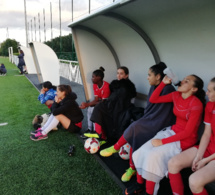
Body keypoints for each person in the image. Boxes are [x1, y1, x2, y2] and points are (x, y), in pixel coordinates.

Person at [100, 62, 176, 183]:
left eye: (149, 75)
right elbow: (151, 107)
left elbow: (163, 113)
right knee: (135, 133)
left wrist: (147, 121)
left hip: (160, 124)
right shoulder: (153, 87)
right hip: (150, 119)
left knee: (135, 127)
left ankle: (116, 147)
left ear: (158, 77)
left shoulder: (168, 89)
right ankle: (132, 168)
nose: (147, 77)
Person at [130, 74, 205, 195]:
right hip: (171, 132)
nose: (182, 81)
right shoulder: (176, 95)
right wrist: (163, 84)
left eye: (187, 81)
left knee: (153, 157)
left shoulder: (196, 104)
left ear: (194, 89)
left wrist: (162, 142)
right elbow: (153, 99)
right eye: (183, 79)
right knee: (141, 151)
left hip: (184, 140)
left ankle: (149, 192)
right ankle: (139, 184)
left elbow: (188, 132)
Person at [168, 77, 215, 195]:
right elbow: (206, 134)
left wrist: (204, 160)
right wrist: (199, 156)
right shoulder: (210, 106)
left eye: (210, 91)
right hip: (209, 149)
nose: (206, 93)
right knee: (173, 163)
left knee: (194, 181)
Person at [86, 66, 137, 143]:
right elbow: (113, 97)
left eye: (121, 74)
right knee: (99, 107)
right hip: (112, 105)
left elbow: (122, 99)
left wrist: (110, 104)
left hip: (121, 107)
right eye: (117, 73)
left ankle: (103, 135)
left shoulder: (128, 86)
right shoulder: (115, 84)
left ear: (126, 75)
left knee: (104, 109)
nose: (118, 75)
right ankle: (99, 133)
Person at [80, 67, 110, 135]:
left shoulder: (106, 86)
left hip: (107, 106)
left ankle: (95, 131)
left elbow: (103, 102)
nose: (91, 78)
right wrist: (87, 105)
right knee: (89, 109)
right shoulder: (95, 85)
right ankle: (90, 129)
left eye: (93, 77)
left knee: (94, 109)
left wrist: (87, 104)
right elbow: (96, 100)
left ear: (99, 77)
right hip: (100, 103)